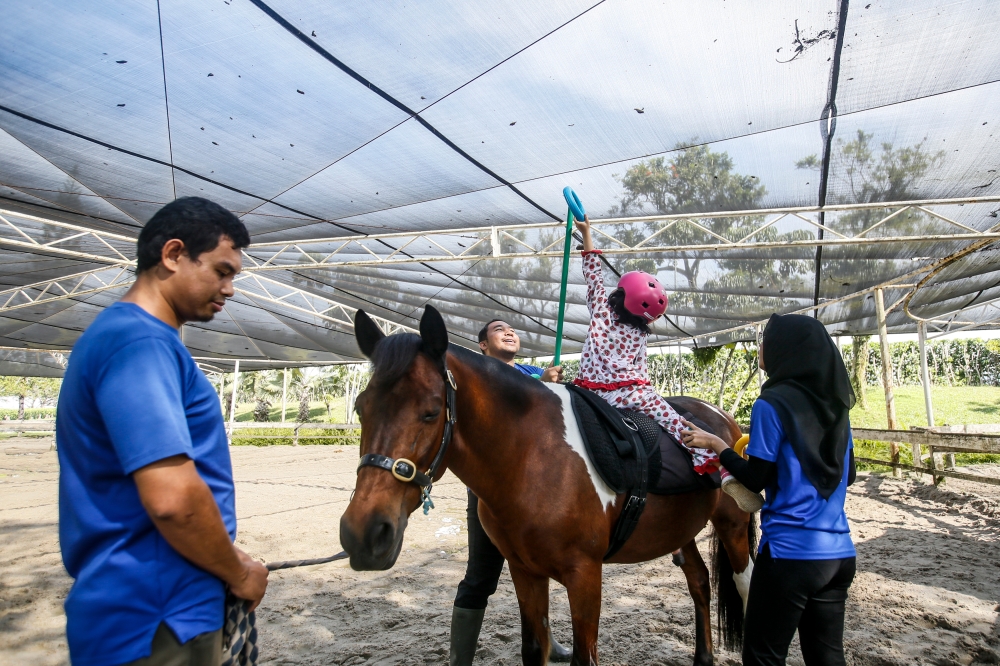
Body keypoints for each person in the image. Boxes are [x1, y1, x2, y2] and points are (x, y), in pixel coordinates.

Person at [57, 197, 267, 666]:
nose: (230, 289)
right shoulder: (140, 343)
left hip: (159, 602)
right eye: (222, 271)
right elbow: (172, 499)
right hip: (156, 616)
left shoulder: (132, 338)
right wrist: (239, 573)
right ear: (172, 254)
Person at [681, 313, 857, 666]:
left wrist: (718, 444)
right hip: (839, 555)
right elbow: (847, 475)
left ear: (785, 350)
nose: (761, 348)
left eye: (766, 341)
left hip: (791, 555)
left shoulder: (771, 403)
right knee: (827, 658)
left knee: (763, 657)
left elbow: (756, 478)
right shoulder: (837, 407)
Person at [572, 215, 762, 512]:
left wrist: (587, 237)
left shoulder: (602, 314)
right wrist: (649, 394)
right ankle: (714, 465)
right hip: (636, 393)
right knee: (678, 423)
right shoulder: (640, 333)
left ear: (619, 297)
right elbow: (641, 371)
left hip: (589, 393)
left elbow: (593, 276)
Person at [449, 319, 571, 665]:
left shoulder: (534, 370)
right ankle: (460, 661)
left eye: (512, 329)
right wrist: (539, 383)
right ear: (483, 346)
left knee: (535, 571)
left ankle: (545, 640)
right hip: (490, 496)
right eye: (498, 329)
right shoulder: (477, 376)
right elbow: (498, 400)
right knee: (480, 577)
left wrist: (553, 386)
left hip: (535, 492)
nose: (509, 332)